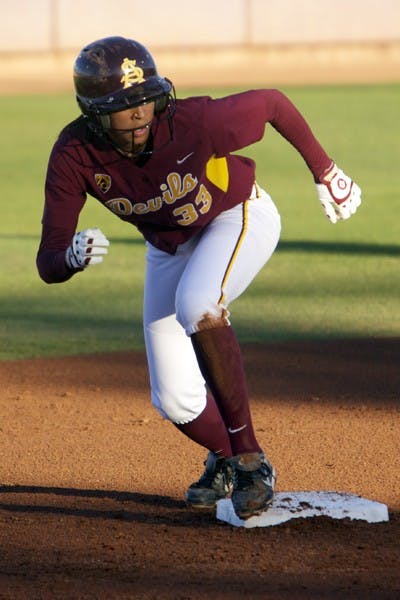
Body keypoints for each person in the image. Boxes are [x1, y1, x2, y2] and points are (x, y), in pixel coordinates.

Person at [36, 36, 361, 520]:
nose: (140, 114)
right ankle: (228, 460)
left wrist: (325, 170)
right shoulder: (74, 155)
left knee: (198, 304)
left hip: (237, 216)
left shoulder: (193, 121)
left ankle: (251, 462)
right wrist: (73, 259)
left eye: (145, 99)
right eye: (124, 108)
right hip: (168, 245)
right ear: (93, 115)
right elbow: (48, 261)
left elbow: (271, 102)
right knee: (173, 396)